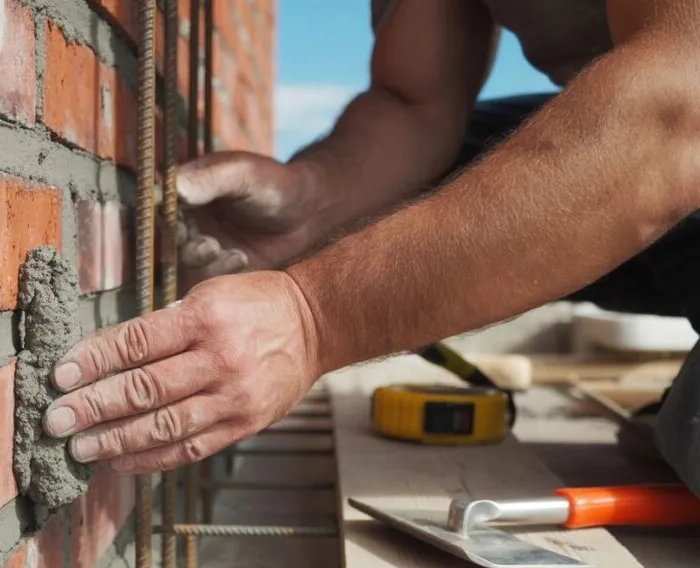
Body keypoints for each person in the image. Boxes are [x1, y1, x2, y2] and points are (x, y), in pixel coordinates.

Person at [41, 0, 700, 494]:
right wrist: (314, 199)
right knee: (468, 173)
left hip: (673, 128)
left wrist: (313, 316)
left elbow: (676, 113)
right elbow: (415, 103)